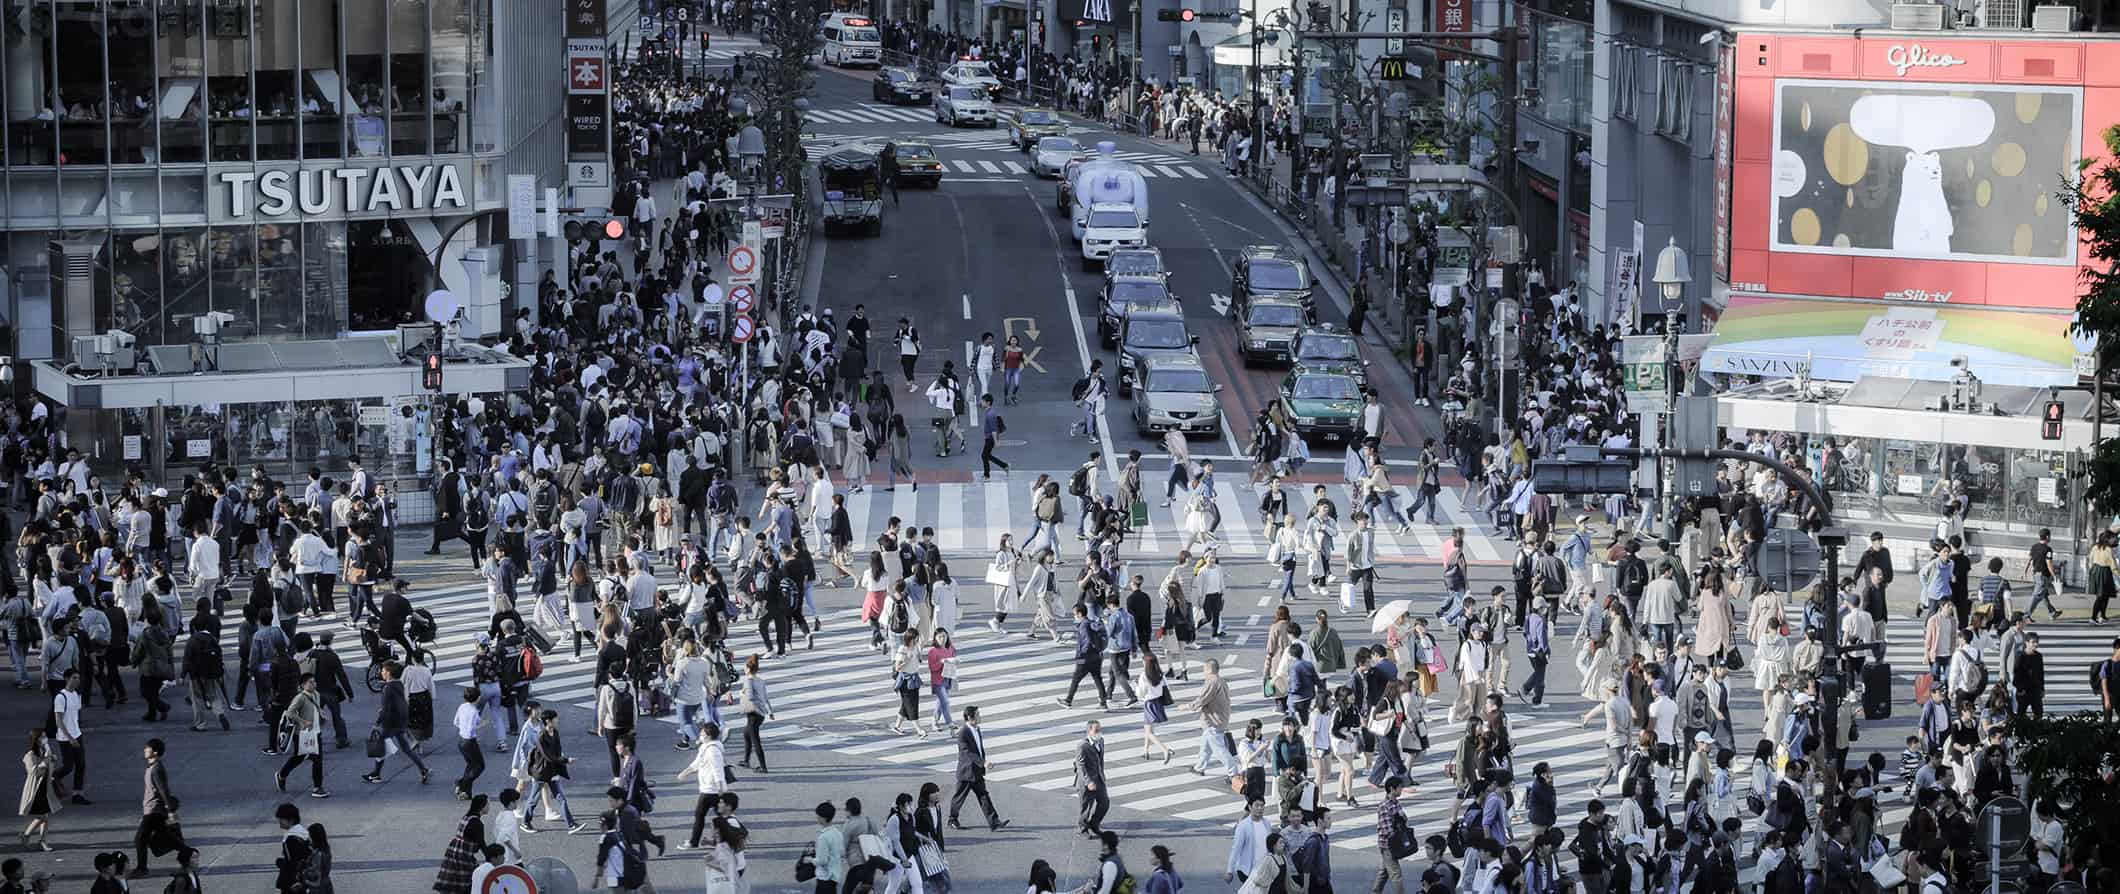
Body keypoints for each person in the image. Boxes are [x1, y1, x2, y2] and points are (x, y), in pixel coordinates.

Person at [361, 661, 430, 785]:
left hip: (390, 722)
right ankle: (423, 769)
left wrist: (377, 723)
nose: (381, 672)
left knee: (379, 745)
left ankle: (376, 774)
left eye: (383, 671)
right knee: (406, 748)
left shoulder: (387, 688)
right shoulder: (399, 684)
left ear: (389, 674)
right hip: (401, 721)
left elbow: (386, 709)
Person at [16, 730, 56, 851]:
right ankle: (26, 835)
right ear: (36, 739)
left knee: (45, 815)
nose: (45, 739)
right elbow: (33, 772)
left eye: (45, 736)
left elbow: (49, 766)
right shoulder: (29, 755)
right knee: (42, 816)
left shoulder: (44, 750)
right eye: (42, 737)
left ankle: (42, 841)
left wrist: (51, 759)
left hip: (45, 787)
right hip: (35, 789)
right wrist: (45, 761)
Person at [1075, 721, 1110, 836]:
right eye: (1096, 730)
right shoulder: (1082, 746)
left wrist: (1102, 775)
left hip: (1099, 779)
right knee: (1086, 808)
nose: (1099, 733)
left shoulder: (1101, 741)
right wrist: (1088, 781)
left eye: (1100, 730)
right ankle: (1082, 828)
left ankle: (1094, 824)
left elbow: (1100, 760)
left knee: (1104, 803)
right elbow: (1080, 766)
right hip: (1087, 782)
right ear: (1089, 731)